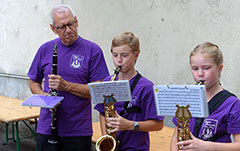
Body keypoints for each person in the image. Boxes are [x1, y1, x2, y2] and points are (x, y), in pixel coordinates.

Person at [27, 4, 109, 151]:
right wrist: (45, 97)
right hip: (47, 127)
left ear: (76, 21)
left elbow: (100, 91)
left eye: (71, 24)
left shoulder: (93, 50)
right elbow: (33, 82)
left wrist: (66, 86)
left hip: (77, 130)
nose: (69, 30)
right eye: (62, 27)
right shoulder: (45, 49)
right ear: (53, 29)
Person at [170, 42, 240, 151]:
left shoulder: (232, 104)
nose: (200, 74)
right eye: (195, 68)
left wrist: (207, 147)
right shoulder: (187, 98)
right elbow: (176, 137)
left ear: (220, 69)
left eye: (206, 68)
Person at [94, 32, 164, 151]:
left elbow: (158, 125)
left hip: (135, 148)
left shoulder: (146, 87)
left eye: (124, 55)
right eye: (115, 55)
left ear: (136, 55)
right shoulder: (107, 82)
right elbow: (102, 112)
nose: (118, 60)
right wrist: (107, 139)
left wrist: (131, 125)